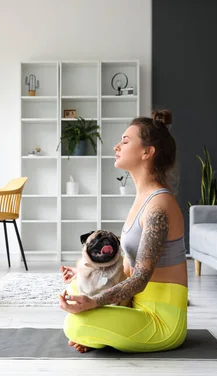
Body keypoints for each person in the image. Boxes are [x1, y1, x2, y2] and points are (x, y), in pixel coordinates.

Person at [59, 109, 188, 353]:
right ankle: (101, 331)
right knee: (74, 290)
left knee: (74, 324)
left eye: (125, 141)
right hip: (134, 307)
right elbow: (128, 265)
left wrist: (94, 304)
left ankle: (97, 332)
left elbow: (139, 279)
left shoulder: (158, 206)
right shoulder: (143, 198)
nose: (117, 146)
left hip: (162, 322)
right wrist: (84, 272)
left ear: (147, 152)